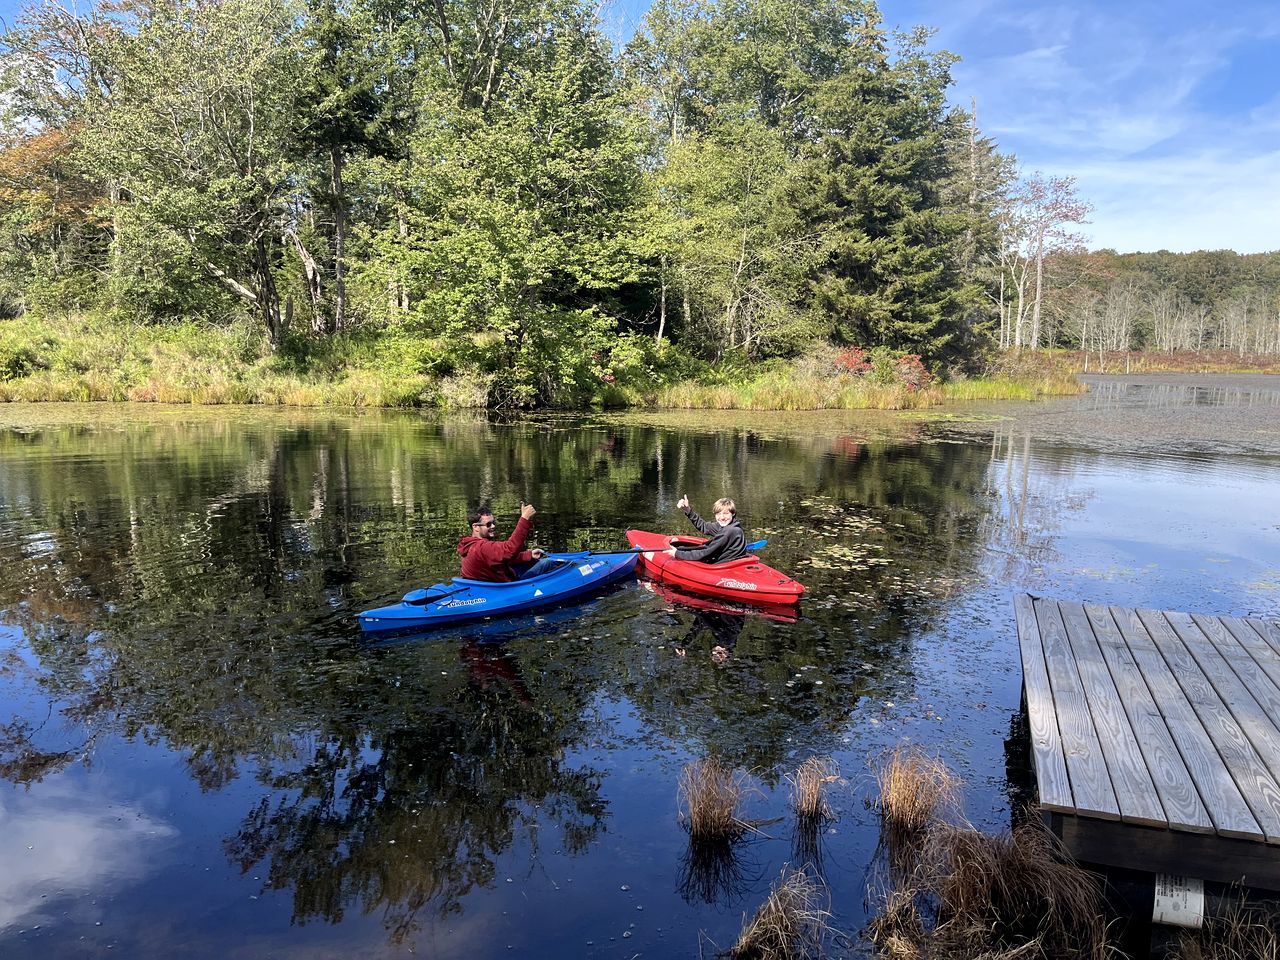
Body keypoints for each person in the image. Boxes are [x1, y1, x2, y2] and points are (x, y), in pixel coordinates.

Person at [458, 502, 558, 582]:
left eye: (493, 522)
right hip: (504, 589)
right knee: (547, 563)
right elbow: (510, 549)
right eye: (488, 524)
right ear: (475, 527)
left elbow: (500, 558)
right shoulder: (482, 547)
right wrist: (524, 518)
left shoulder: (469, 545)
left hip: (490, 584)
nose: (493, 526)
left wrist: (528, 555)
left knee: (532, 561)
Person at [663, 494, 747, 564]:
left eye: (726, 513)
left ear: (733, 514)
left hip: (723, 567)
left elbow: (706, 553)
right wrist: (688, 510)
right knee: (684, 547)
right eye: (718, 514)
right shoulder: (732, 525)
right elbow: (704, 527)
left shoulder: (729, 531)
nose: (722, 517)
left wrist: (677, 554)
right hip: (729, 561)